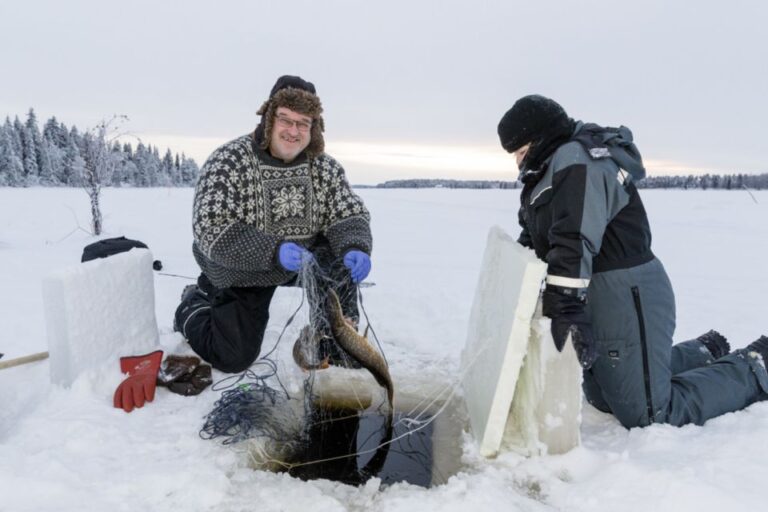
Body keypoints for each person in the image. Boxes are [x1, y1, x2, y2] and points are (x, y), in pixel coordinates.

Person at [496, 95, 768, 428]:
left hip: (627, 290)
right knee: (601, 397)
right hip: (592, 288)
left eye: (522, 152)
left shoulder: (578, 162)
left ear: (541, 138)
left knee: (649, 414)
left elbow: (573, 237)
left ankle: (755, 367)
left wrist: (563, 302)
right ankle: (703, 351)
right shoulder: (549, 170)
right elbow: (535, 236)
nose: (519, 163)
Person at [174, 75, 373, 373]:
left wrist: (356, 244)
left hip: (304, 261)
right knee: (233, 357)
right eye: (285, 119)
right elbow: (211, 229)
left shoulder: (324, 166)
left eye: (303, 122)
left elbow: (346, 211)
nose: (294, 131)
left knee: (338, 256)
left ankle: (331, 337)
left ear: (314, 127)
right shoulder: (229, 161)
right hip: (243, 268)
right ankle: (194, 303)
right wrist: (272, 250)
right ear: (269, 118)